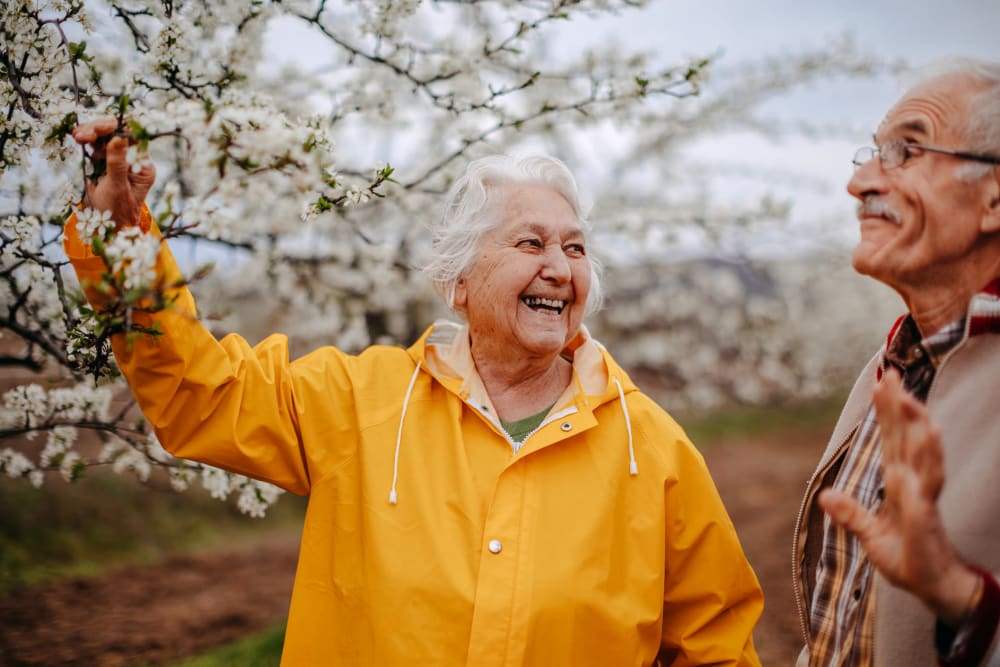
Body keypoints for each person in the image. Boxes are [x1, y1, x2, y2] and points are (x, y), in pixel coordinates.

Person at [65, 119, 763, 666]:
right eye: (531, 243)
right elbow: (204, 396)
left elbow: (718, 649)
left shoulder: (656, 451)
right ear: (459, 280)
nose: (558, 267)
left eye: (575, 249)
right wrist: (123, 248)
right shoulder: (358, 403)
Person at [793, 57, 1000, 667]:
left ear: (994, 200)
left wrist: (963, 600)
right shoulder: (893, 366)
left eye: (907, 151)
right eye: (871, 154)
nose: (859, 184)